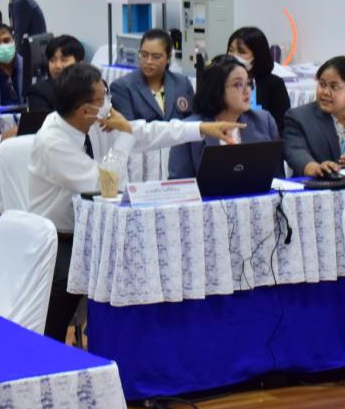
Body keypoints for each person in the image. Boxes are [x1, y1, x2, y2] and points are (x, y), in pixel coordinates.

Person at [28, 62, 243, 341]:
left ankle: (116, 342)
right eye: (102, 98)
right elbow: (105, 183)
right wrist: (126, 133)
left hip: (94, 228)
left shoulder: (92, 121)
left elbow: (147, 133)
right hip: (58, 238)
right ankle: (51, 348)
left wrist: (201, 128)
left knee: (137, 260)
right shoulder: (52, 141)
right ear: (85, 110)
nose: (109, 103)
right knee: (71, 283)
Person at [168, 55, 281, 179]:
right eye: (239, 84)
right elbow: (179, 185)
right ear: (217, 89)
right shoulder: (188, 130)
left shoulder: (264, 121)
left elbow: (278, 178)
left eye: (248, 84)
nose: (247, 91)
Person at [110, 29, 195, 123]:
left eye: (156, 57)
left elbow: (194, 120)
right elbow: (128, 127)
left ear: (168, 58)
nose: (149, 61)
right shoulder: (123, 87)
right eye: (144, 55)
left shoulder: (182, 83)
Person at [228, 26, 291, 132]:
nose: (233, 56)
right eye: (231, 50)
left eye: (241, 52)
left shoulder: (274, 84)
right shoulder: (221, 81)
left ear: (257, 55)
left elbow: (282, 127)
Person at [26, 34, 85, 113]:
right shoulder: (39, 92)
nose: (57, 66)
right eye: (52, 60)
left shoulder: (91, 87)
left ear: (80, 64)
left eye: (64, 60)